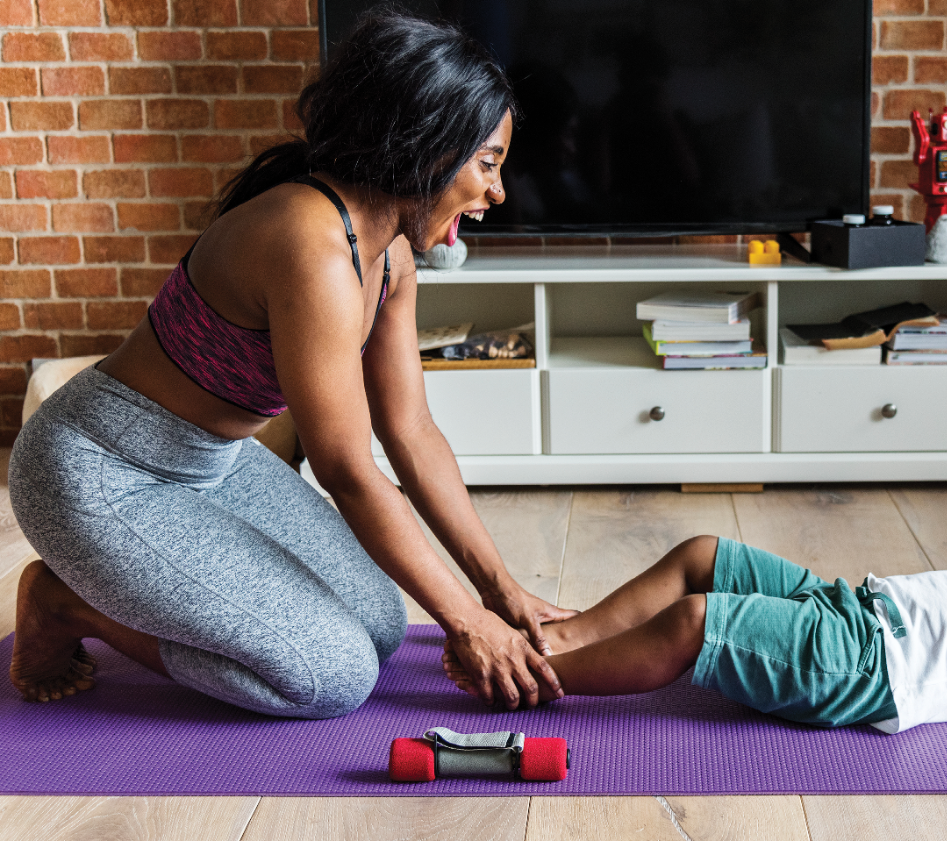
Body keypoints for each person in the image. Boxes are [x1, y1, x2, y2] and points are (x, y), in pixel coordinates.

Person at [8, 10, 576, 719]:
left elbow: (413, 433)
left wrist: (499, 593)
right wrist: (466, 622)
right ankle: (68, 605)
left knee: (382, 623)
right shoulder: (308, 241)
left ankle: (105, 596)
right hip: (101, 472)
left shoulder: (392, 256)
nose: (496, 192)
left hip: (214, 463)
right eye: (487, 163)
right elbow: (345, 468)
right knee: (330, 676)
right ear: (428, 143)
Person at [445, 535, 947, 735]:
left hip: (873, 665)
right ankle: (561, 634)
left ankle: (538, 677)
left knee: (698, 623)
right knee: (706, 555)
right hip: (852, 606)